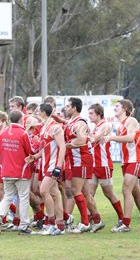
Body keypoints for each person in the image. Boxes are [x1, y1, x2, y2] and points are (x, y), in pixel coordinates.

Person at [104, 99, 140, 232]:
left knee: (126, 189)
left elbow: (131, 138)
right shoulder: (120, 124)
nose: (114, 108)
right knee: (136, 192)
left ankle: (125, 224)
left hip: (134, 160)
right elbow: (138, 143)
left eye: (117, 106)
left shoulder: (130, 121)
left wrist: (111, 138)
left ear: (125, 108)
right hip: (126, 161)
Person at [0, 110, 35, 235]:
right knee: (23, 197)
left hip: (6, 170)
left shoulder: (3, 133)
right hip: (21, 171)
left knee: (8, 196)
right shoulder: (23, 133)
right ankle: (24, 225)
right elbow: (30, 150)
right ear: (21, 120)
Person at [27, 103, 66, 235]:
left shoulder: (55, 127)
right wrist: (35, 157)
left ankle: (50, 222)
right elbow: (44, 149)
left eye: (38, 112)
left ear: (43, 113)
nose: (37, 114)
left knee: (43, 191)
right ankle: (59, 225)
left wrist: (59, 166)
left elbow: (63, 147)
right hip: (46, 164)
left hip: (53, 165)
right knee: (54, 195)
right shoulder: (44, 127)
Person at [63, 98, 99, 233]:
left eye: (68, 106)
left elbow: (82, 140)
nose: (65, 108)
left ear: (74, 108)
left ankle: (85, 222)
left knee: (75, 190)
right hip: (76, 160)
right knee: (84, 192)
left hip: (82, 160)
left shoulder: (80, 123)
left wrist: (65, 146)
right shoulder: (72, 122)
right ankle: (97, 219)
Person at [87, 103, 124, 227]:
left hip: (103, 165)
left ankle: (122, 218)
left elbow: (93, 139)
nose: (89, 116)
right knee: (88, 193)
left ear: (99, 114)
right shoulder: (95, 127)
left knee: (109, 193)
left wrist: (82, 132)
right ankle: (90, 219)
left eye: (91, 113)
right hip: (93, 164)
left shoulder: (105, 125)